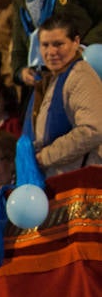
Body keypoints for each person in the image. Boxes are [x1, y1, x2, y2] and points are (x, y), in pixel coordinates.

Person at [28, 14, 102, 176]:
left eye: (58, 44)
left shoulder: (80, 76)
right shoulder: (53, 80)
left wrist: (46, 156)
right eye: (45, 45)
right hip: (62, 177)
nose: (51, 52)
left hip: (83, 182)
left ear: (76, 42)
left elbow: (92, 129)